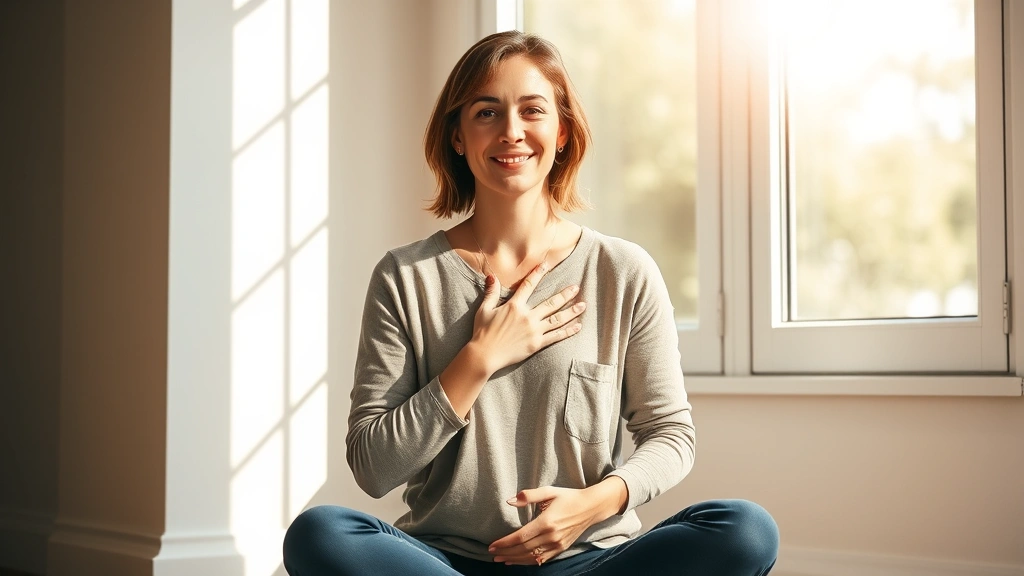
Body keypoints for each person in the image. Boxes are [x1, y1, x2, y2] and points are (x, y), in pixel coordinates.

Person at [283, 30, 778, 576]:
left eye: (532, 111)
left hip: (586, 558)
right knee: (320, 533)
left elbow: (670, 434)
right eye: (486, 113)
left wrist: (594, 504)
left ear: (562, 131)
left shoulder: (622, 271)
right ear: (457, 136)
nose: (512, 132)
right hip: (444, 562)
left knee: (745, 529)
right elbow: (373, 468)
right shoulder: (405, 277)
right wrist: (479, 358)